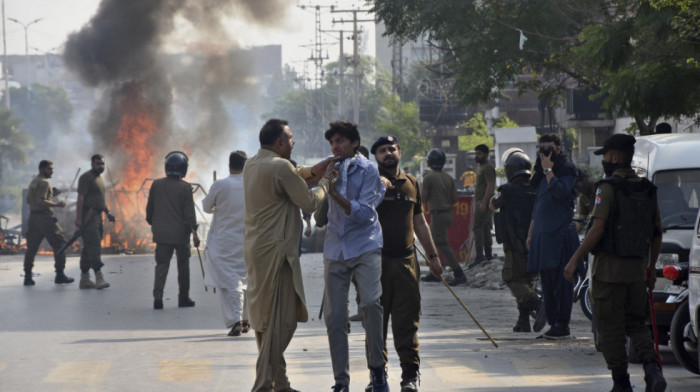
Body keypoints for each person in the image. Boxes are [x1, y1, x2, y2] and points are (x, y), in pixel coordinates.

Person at [564, 134, 666, 392]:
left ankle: (621, 383)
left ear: (616, 157)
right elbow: (657, 232)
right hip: (636, 273)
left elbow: (597, 229)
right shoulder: (647, 189)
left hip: (608, 274)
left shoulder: (606, 188)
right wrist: (650, 268)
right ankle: (653, 372)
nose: (605, 161)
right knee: (637, 324)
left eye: (607, 156)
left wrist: (574, 259)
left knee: (610, 330)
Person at [244, 119, 334, 392]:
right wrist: (327, 182)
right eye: (291, 138)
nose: (293, 142)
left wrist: (314, 170)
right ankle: (262, 385)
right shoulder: (280, 167)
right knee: (283, 322)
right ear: (279, 143)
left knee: (265, 320)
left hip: (256, 250)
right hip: (277, 254)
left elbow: (294, 173)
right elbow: (308, 201)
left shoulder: (253, 163)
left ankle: (280, 384)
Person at [371, 135, 443, 392]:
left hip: (406, 262)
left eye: (391, 148)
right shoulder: (368, 180)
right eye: (382, 151)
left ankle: (409, 377)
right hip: (374, 263)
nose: (387, 153)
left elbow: (419, 222)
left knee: (407, 321)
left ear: (399, 151)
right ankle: (377, 376)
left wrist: (433, 257)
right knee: (375, 323)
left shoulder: (412, 183)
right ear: (375, 156)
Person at [320, 121, 387, 392]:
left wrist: (334, 192)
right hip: (335, 247)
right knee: (335, 316)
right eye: (332, 142)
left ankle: (377, 372)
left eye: (340, 141)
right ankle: (341, 381)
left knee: (371, 304)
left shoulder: (369, 170)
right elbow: (315, 205)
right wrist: (324, 183)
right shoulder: (328, 168)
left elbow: (364, 213)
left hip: (365, 245)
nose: (335, 146)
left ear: (354, 143)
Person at [526, 133, 579, 339]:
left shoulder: (566, 170)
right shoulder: (541, 175)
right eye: (542, 149)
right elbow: (538, 205)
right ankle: (553, 324)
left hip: (560, 236)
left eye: (549, 148)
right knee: (547, 284)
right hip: (542, 237)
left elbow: (561, 193)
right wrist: (531, 233)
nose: (545, 153)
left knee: (561, 284)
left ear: (558, 149)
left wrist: (549, 169)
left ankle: (561, 325)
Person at [489, 150, 545, 333]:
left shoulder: (506, 191)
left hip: (514, 243)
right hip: (535, 244)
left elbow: (492, 204)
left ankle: (537, 305)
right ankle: (523, 321)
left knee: (512, 278)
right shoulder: (537, 189)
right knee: (527, 281)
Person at [202, 150, 249, 336]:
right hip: (247, 238)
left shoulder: (220, 184)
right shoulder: (252, 184)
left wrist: (217, 204)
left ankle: (236, 320)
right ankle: (246, 320)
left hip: (224, 241)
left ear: (229, 165)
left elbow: (206, 207)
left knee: (230, 282)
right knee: (246, 280)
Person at [146, 151, 200, 309]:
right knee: (183, 266)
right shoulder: (185, 187)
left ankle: (158, 294)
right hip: (181, 235)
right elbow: (189, 214)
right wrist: (194, 233)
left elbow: (149, 209)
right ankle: (183, 298)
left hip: (161, 234)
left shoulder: (156, 184)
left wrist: (154, 224)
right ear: (183, 168)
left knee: (162, 264)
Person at [23, 160, 74, 286]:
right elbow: (41, 201)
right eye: (49, 169)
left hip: (33, 219)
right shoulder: (45, 183)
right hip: (45, 218)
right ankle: (60, 275)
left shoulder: (34, 181)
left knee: (31, 248)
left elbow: (30, 200)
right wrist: (57, 204)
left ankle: (28, 277)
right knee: (60, 244)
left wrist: (52, 195)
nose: (52, 171)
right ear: (42, 169)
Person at [420, 149, 467, 286]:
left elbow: (423, 198)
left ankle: (459, 273)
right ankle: (435, 272)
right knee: (434, 243)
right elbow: (454, 199)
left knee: (442, 244)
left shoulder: (428, 178)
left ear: (429, 161)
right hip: (448, 213)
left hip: (438, 214)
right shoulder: (449, 178)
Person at [75, 154, 115, 290]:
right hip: (88, 216)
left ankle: (84, 279)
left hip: (98, 216)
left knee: (88, 248)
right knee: (94, 246)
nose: (101, 166)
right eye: (98, 163)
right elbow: (80, 198)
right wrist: (79, 218)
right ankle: (99, 277)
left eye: (102, 164)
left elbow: (100, 200)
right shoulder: (86, 178)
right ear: (92, 164)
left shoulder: (99, 178)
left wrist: (108, 212)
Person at [471, 144, 496, 266]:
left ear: (486, 154)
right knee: (485, 228)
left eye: (479, 153)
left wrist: (484, 203)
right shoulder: (481, 167)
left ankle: (480, 255)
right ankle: (488, 255)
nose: (477, 156)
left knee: (477, 227)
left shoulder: (487, 167)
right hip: (480, 202)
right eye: (476, 153)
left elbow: (490, 186)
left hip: (484, 202)